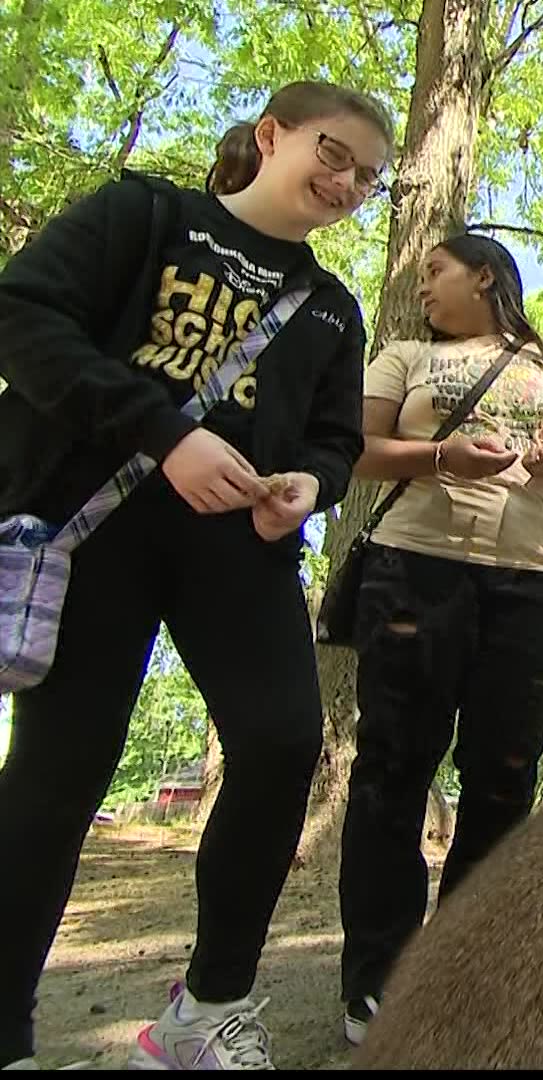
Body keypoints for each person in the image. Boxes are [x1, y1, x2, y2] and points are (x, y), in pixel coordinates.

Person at [0, 80, 393, 1070]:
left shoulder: (333, 312)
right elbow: (24, 316)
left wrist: (312, 480)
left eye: (368, 178)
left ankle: (206, 1014)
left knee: (281, 739)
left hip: (239, 553)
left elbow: (338, 442)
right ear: (273, 136)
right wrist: (164, 432)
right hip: (96, 527)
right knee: (58, 773)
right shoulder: (145, 216)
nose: (346, 182)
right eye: (333, 153)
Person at [335, 233, 543, 1047]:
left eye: (437, 272)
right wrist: (439, 455)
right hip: (415, 571)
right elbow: (357, 452)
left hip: (529, 582)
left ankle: (463, 972)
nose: (424, 287)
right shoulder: (405, 358)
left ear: (484, 275)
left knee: (503, 780)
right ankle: (376, 983)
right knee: (393, 767)